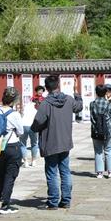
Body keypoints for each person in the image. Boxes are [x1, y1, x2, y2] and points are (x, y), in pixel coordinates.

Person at [31, 75, 83, 209]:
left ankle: (53, 201)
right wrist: (76, 92)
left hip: (50, 143)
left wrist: (35, 129)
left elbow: (37, 122)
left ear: (47, 88)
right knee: (65, 171)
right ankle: (66, 200)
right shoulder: (69, 99)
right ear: (58, 85)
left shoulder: (46, 104)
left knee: (52, 172)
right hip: (65, 142)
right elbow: (79, 107)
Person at [0, 87, 24, 214]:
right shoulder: (14, 114)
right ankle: (5, 204)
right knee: (10, 176)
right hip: (12, 146)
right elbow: (20, 131)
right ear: (14, 100)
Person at [89, 84, 111, 179]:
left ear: (96, 93)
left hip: (95, 130)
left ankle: (99, 172)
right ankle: (110, 171)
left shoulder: (92, 104)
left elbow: (92, 117)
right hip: (107, 130)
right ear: (105, 93)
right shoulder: (109, 104)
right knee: (108, 151)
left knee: (98, 151)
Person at [20, 85, 43, 167]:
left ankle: (25, 161)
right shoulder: (37, 107)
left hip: (23, 125)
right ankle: (33, 161)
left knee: (23, 144)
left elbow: (22, 114)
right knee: (34, 143)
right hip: (33, 125)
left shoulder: (27, 105)